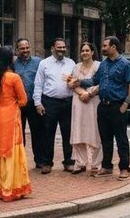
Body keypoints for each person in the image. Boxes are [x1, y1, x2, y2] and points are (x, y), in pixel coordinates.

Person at [72, 36, 130, 180]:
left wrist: (126, 104)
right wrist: (80, 81)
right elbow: (94, 81)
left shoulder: (125, 64)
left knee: (121, 139)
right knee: (105, 139)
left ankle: (124, 167)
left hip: (118, 106)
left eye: (105, 45)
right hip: (103, 106)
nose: (103, 48)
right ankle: (107, 166)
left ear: (114, 47)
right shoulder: (104, 65)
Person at [0, 47, 32, 202]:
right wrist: (13, 102)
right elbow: (23, 100)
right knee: (11, 154)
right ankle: (9, 189)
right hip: (10, 120)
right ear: (10, 59)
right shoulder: (13, 78)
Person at [33, 39, 76, 174]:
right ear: (52, 48)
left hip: (67, 102)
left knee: (68, 133)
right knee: (47, 133)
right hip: (49, 102)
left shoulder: (71, 63)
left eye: (63, 47)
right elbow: (38, 84)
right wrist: (38, 103)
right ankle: (47, 162)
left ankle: (69, 162)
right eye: (59, 47)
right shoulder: (44, 64)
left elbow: (75, 82)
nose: (61, 50)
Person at [69, 43, 102, 175]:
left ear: (93, 52)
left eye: (87, 50)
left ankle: (96, 164)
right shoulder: (76, 67)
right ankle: (80, 162)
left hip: (93, 101)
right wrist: (82, 93)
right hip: (79, 101)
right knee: (78, 131)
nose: (84, 53)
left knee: (95, 131)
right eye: (82, 50)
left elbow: (101, 83)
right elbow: (72, 83)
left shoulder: (99, 66)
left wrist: (90, 94)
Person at [13, 39, 44, 168]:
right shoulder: (13, 64)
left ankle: (40, 161)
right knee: (19, 134)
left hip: (33, 102)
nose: (25, 50)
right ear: (17, 50)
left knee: (37, 133)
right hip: (18, 104)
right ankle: (20, 162)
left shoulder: (39, 62)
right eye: (22, 48)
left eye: (27, 47)